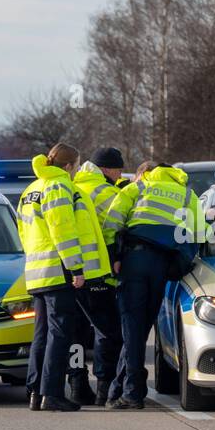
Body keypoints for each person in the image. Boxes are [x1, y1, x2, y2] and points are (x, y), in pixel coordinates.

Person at [17, 143, 111, 412]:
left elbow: (23, 232)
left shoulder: (31, 189)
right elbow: (63, 231)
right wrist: (76, 268)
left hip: (37, 272)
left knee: (42, 334)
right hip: (58, 271)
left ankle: (35, 392)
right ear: (68, 166)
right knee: (60, 334)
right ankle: (52, 393)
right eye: (77, 166)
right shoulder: (58, 187)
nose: (77, 172)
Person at [110, 162, 205, 409]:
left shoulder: (139, 186)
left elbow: (112, 222)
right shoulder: (186, 194)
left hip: (134, 260)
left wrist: (115, 257)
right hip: (162, 265)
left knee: (132, 325)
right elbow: (200, 232)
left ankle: (130, 392)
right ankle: (125, 388)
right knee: (143, 325)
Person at [70, 147, 131, 405]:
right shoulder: (106, 192)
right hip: (98, 275)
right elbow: (121, 227)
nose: (119, 174)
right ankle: (104, 390)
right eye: (117, 169)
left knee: (75, 334)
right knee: (108, 333)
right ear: (106, 169)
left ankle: (77, 386)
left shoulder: (73, 187)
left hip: (69, 274)